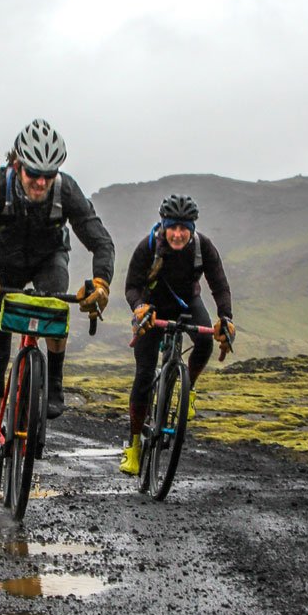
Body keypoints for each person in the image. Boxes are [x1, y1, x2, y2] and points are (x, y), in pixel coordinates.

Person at [0, 119, 115, 489]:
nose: (41, 182)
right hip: (2, 267)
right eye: (33, 174)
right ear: (17, 165)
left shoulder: (67, 191)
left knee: (55, 308)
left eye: (48, 174)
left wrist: (101, 282)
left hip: (48, 260)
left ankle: (55, 379)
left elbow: (101, 243)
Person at [120, 193, 234, 475]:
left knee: (205, 341)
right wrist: (139, 307)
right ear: (164, 225)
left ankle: (189, 390)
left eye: (185, 228)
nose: (179, 233)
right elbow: (132, 286)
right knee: (144, 375)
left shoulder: (202, 246)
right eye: (174, 227)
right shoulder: (148, 247)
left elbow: (219, 284)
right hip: (152, 309)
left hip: (187, 303)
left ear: (192, 229)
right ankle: (133, 447)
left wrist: (226, 318)